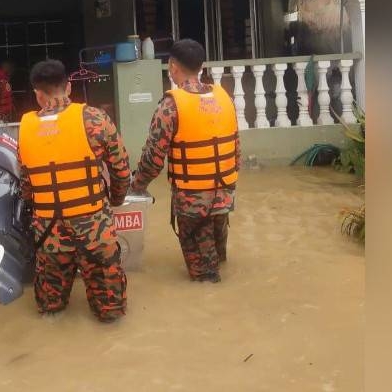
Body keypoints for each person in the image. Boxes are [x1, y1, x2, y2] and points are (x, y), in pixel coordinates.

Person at [17, 59, 130, 322]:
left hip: (49, 232)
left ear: (38, 94)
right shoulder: (95, 118)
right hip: (95, 230)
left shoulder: (25, 128)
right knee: (111, 313)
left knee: (50, 310)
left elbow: (26, 186)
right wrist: (115, 200)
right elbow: (121, 170)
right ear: (68, 87)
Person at [130, 39, 240, 283]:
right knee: (219, 258)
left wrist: (136, 187)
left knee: (205, 278)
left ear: (172, 66)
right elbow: (236, 147)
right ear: (201, 66)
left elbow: (153, 159)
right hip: (224, 194)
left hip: (193, 202)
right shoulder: (224, 98)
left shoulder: (170, 106)